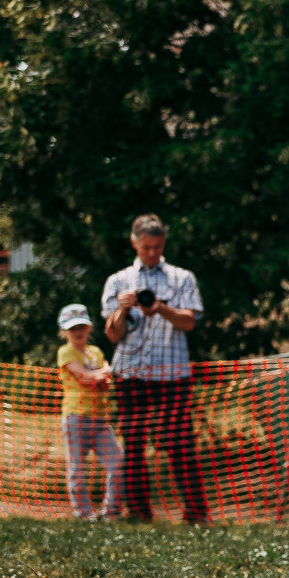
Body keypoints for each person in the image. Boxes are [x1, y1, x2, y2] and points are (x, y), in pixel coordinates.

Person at [101, 214, 209, 524]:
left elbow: (189, 322)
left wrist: (159, 307)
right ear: (134, 243)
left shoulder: (182, 278)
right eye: (146, 247)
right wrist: (123, 308)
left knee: (180, 443)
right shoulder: (118, 281)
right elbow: (112, 335)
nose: (152, 253)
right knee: (132, 443)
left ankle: (196, 514)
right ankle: (138, 512)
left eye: (158, 247)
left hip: (172, 374)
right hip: (130, 374)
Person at [56, 303, 122, 521]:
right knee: (77, 467)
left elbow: (105, 375)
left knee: (118, 462)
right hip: (76, 417)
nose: (78, 332)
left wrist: (100, 375)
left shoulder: (95, 351)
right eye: (72, 328)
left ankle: (111, 511)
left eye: (81, 327)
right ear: (64, 331)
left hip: (100, 418)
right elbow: (85, 376)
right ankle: (84, 514)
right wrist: (101, 373)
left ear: (89, 328)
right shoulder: (65, 352)